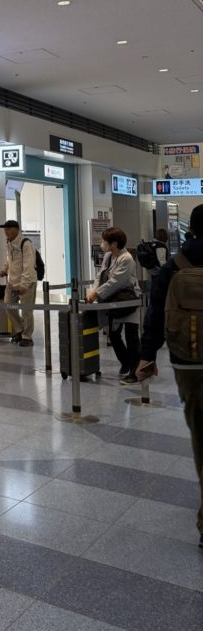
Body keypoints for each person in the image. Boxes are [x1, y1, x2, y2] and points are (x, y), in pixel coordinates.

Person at [136, 203, 203, 551]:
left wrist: (147, 355)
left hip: (188, 361)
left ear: (191, 229)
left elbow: (156, 312)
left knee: (201, 434)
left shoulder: (175, 265)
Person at [85, 226, 141, 384]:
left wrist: (96, 293)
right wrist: (93, 290)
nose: (102, 243)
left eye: (105, 241)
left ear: (114, 243)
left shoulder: (127, 259)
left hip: (128, 300)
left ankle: (135, 372)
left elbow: (116, 281)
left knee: (131, 336)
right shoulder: (109, 256)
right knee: (114, 334)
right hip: (113, 301)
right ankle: (126, 362)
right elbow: (100, 275)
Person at [0, 220, 37, 347]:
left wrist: (24, 284)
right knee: (8, 305)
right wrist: (4, 270)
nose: (5, 231)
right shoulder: (9, 243)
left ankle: (27, 337)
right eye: (5, 229)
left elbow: (29, 265)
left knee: (26, 311)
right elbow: (9, 260)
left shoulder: (26, 244)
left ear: (16, 230)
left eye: (8, 229)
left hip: (26, 282)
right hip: (12, 282)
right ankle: (19, 330)